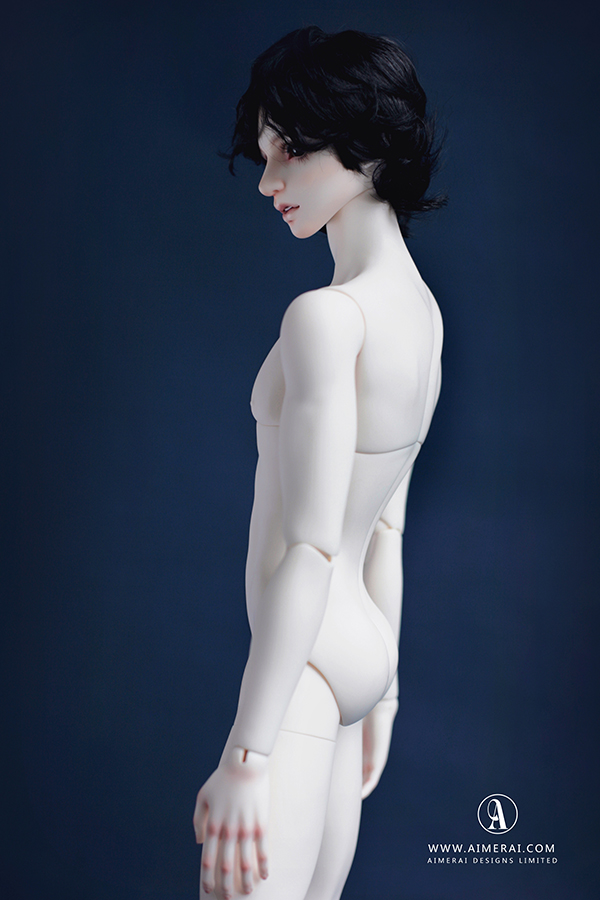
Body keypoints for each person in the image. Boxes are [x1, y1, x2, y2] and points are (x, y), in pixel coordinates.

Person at [193, 25, 445, 900]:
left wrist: (247, 756)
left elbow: (311, 549)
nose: (269, 181)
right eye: (265, 153)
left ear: (367, 149)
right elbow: (386, 528)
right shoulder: (421, 313)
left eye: (291, 150)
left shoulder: (327, 319)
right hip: (359, 653)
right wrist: (386, 693)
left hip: (302, 671)